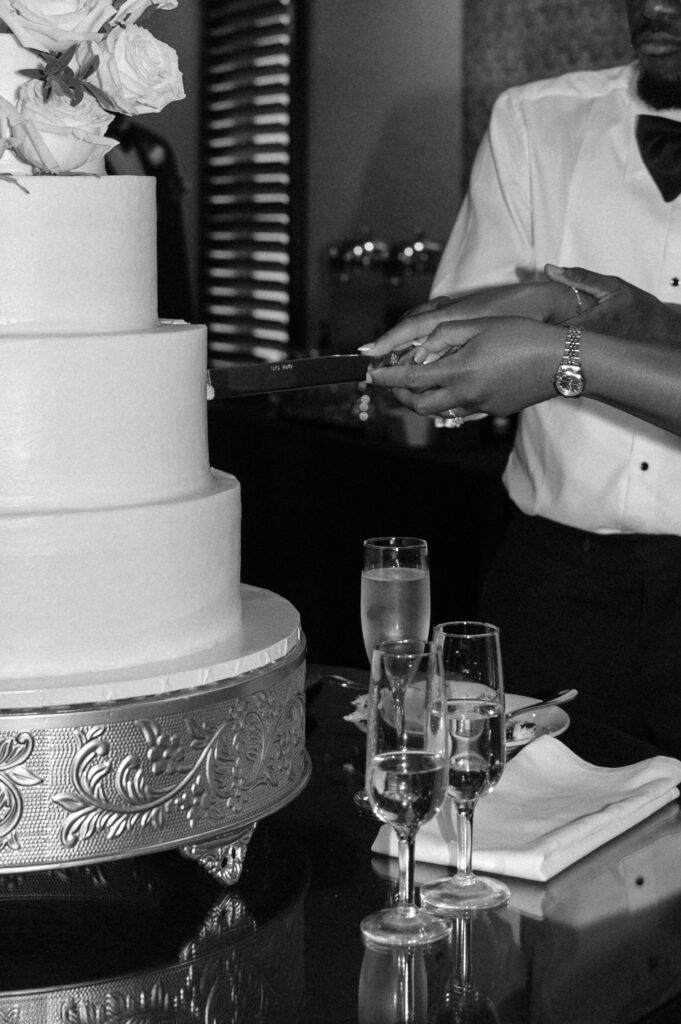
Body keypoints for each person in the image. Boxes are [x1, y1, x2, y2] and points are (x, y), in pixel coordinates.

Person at [361, 0, 681, 757]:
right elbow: (489, 326)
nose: (653, 5)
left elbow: (557, 347)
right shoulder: (533, 119)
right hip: (557, 581)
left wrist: (555, 354)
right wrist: (457, 351)